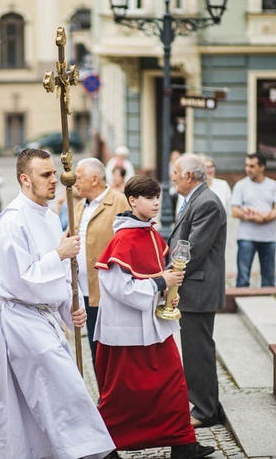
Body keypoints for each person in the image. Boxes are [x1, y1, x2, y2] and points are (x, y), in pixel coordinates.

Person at [0, 148, 115, 459]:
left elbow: (62, 277)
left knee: (24, 397)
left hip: (45, 317)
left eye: (55, 173)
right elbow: (20, 279)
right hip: (22, 318)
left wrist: (68, 308)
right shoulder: (11, 222)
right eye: (46, 175)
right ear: (25, 179)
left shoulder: (49, 218)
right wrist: (59, 254)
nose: (57, 180)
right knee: (65, 387)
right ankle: (97, 452)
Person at [94, 175, 215, 459]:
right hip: (127, 332)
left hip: (155, 325)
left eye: (157, 197)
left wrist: (169, 293)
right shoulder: (123, 238)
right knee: (122, 395)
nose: (156, 202)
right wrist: (161, 283)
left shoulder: (150, 233)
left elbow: (156, 275)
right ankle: (103, 446)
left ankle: (182, 442)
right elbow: (119, 288)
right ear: (132, 201)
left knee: (173, 384)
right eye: (149, 198)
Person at [168, 153, 227, 428]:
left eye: (176, 174)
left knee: (199, 351)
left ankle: (206, 409)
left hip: (198, 288)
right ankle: (202, 403)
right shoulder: (197, 199)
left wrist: (171, 275)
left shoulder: (206, 203)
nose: (173, 178)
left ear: (189, 177)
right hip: (193, 287)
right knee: (194, 350)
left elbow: (192, 250)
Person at [73, 157, 130, 369]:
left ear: (94, 179)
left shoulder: (119, 202)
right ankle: (103, 396)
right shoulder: (79, 207)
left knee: (115, 351)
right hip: (85, 292)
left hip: (109, 291)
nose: (75, 183)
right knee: (95, 349)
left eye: (79, 178)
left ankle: (117, 396)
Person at [230, 152, 276, 287]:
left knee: (268, 276)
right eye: (247, 165)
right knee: (242, 276)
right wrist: (249, 215)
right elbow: (234, 211)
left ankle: (268, 303)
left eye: (252, 166)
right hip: (246, 237)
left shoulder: (274, 186)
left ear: (262, 167)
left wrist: (265, 217)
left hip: (268, 237)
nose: (248, 169)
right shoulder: (240, 185)